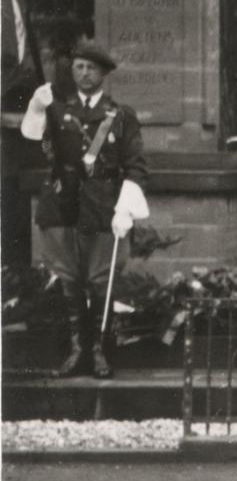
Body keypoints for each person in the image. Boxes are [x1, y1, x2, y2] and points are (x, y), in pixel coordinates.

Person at [19, 42, 149, 380]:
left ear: (104, 74)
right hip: (62, 203)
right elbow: (37, 143)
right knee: (68, 280)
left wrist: (127, 206)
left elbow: (136, 165)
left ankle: (99, 350)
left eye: (91, 68)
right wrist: (36, 107)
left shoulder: (120, 116)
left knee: (99, 279)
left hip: (102, 205)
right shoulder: (57, 109)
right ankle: (78, 349)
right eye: (78, 67)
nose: (84, 73)